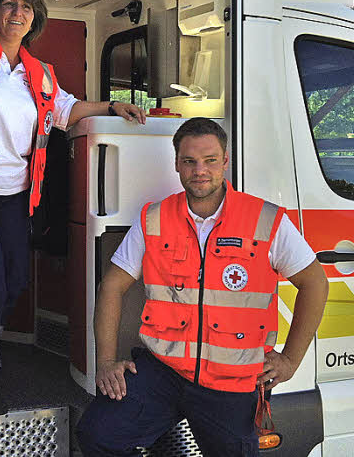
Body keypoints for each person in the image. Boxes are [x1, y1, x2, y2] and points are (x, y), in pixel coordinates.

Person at [0, 0, 146, 442]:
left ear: (35, 16)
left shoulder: (39, 74)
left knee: (12, 284)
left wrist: (113, 104)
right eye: (8, 4)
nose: (17, 13)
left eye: (26, 7)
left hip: (14, 199)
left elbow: (66, 110)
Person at [77, 117, 329, 457]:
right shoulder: (154, 217)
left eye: (210, 160)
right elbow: (112, 286)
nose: (200, 170)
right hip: (163, 370)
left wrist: (290, 361)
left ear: (225, 161)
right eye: (190, 161)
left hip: (230, 382)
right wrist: (105, 361)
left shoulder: (264, 219)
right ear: (177, 164)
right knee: (98, 434)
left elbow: (314, 282)